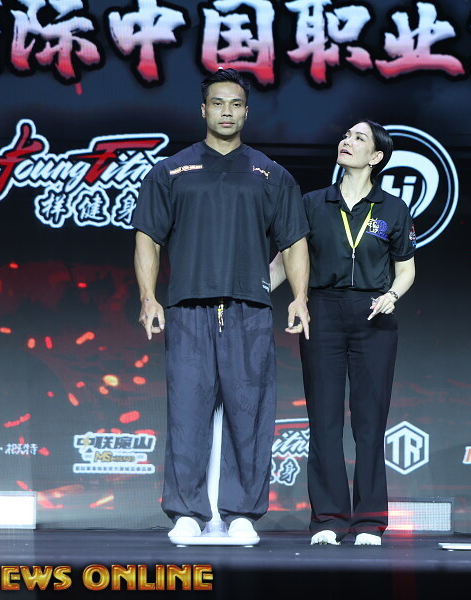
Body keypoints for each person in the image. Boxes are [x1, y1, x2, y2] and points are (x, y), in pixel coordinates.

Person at [132, 68, 311, 546]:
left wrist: (299, 297)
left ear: (246, 112)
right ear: (203, 110)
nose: (226, 112)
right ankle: (187, 512)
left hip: (249, 309)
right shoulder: (171, 171)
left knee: (249, 413)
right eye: (218, 103)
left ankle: (241, 513)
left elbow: (294, 242)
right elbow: (148, 237)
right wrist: (149, 297)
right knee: (186, 412)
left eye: (235, 104)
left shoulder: (271, 175)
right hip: (187, 308)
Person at [272, 120, 416, 546]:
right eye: (346, 136)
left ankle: (369, 520)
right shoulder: (313, 202)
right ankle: (329, 518)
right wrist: (252, 293)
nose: (347, 142)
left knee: (370, 421)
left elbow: (406, 269)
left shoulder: (392, 208)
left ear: (376, 157)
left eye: (359, 139)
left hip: (374, 315)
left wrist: (392, 294)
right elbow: (286, 259)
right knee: (324, 419)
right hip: (323, 311)